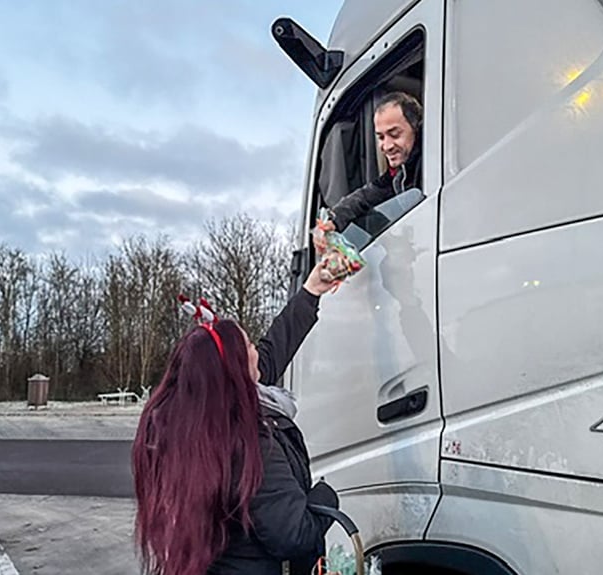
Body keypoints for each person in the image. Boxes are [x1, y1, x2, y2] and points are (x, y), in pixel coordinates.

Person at [132, 261, 340, 575]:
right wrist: (327, 496)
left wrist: (310, 292)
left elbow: (271, 352)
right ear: (235, 369)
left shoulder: (194, 420)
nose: (257, 348)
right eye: (249, 345)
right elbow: (295, 535)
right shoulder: (249, 441)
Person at [322, 90, 423, 235]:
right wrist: (334, 218)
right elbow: (367, 195)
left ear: (416, 128)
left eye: (395, 134)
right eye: (381, 137)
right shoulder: (397, 174)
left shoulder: (429, 164)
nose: (387, 146)